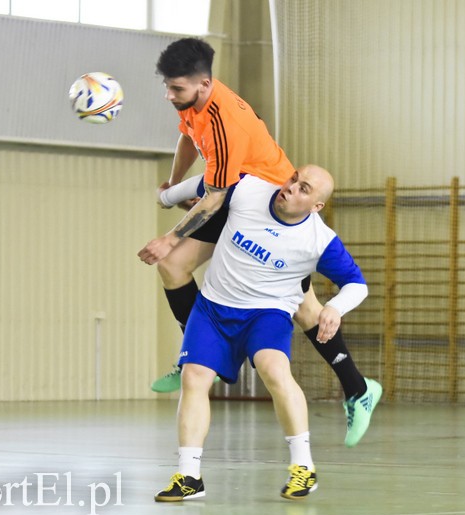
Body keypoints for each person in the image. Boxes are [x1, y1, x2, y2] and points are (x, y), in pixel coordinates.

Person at [138, 37, 381, 447]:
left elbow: (214, 196)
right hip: (241, 199)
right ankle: (199, 352)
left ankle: (358, 390)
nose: (169, 96)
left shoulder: (225, 122)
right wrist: (174, 183)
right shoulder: (193, 103)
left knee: (304, 309)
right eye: (168, 87)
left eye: (176, 88)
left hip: (268, 207)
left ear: (203, 84)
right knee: (175, 267)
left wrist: (170, 235)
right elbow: (189, 139)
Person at [154, 165, 368, 501]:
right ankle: (189, 476)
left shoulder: (320, 241)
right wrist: (167, 196)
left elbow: (357, 284)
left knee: (274, 369)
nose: (291, 187)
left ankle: (303, 468)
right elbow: (205, 182)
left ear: (316, 206)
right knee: (193, 377)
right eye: (294, 178)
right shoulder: (248, 189)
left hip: (267, 313)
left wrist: (335, 308)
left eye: (304, 188)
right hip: (213, 308)